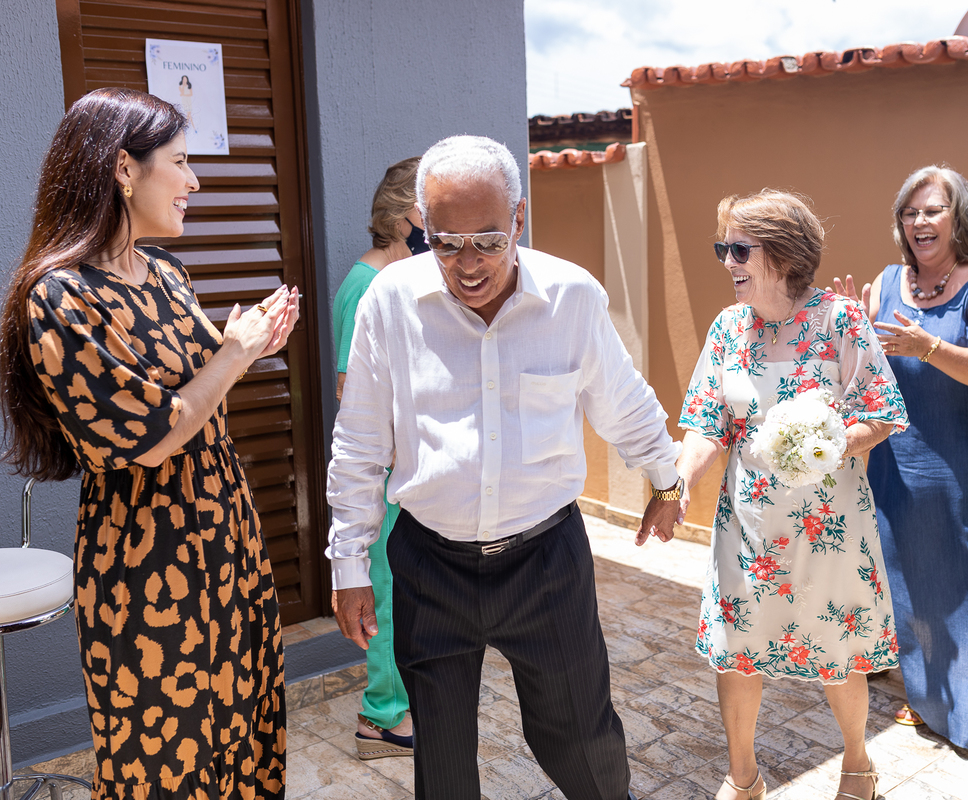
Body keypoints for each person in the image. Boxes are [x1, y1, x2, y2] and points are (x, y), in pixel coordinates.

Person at [325, 134, 681, 800]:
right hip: (430, 565)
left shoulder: (571, 297)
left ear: (519, 218)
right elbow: (360, 440)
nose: (468, 264)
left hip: (545, 562)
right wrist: (348, 564)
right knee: (443, 760)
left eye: (488, 241)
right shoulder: (390, 300)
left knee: (581, 741)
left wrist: (665, 476)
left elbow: (622, 399)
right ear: (422, 228)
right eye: (446, 243)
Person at [0, 88, 299, 799]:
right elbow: (151, 437)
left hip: (225, 531)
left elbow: (194, 393)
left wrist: (244, 346)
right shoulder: (61, 297)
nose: (194, 181)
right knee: (165, 754)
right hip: (147, 556)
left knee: (243, 725)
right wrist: (235, 353)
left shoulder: (165, 271)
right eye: (182, 161)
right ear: (123, 169)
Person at [676, 189, 908, 800]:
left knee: (838, 647)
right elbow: (705, 423)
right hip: (748, 526)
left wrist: (828, 441)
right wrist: (679, 485)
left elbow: (882, 412)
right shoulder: (728, 328)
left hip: (828, 526)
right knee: (736, 649)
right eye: (723, 249)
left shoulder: (840, 320)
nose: (727, 262)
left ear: (782, 255)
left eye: (739, 250)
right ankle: (742, 777)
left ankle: (857, 764)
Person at [835, 165, 968, 749]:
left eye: (933, 209)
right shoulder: (888, 281)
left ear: (958, 217)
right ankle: (927, 691)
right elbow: (866, 372)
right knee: (911, 575)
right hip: (900, 461)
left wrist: (931, 347)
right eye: (910, 212)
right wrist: (853, 334)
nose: (920, 221)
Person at [331, 156, 427, 760]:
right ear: (405, 214)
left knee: (405, 593)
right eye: (432, 211)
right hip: (384, 477)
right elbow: (352, 390)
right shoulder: (367, 285)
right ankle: (382, 718)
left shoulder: (396, 277)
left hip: (404, 474)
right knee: (387, 597)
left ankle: (400, 703)